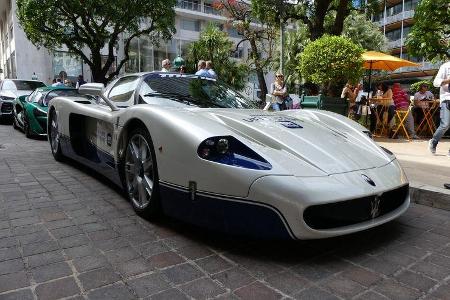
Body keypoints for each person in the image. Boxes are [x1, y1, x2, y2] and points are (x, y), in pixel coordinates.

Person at [429, 61, 450, 156]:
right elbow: (435, 83)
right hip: (447, 98)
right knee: (445, 124)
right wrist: (447, 80)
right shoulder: (445, 66)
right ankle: (434, 141)